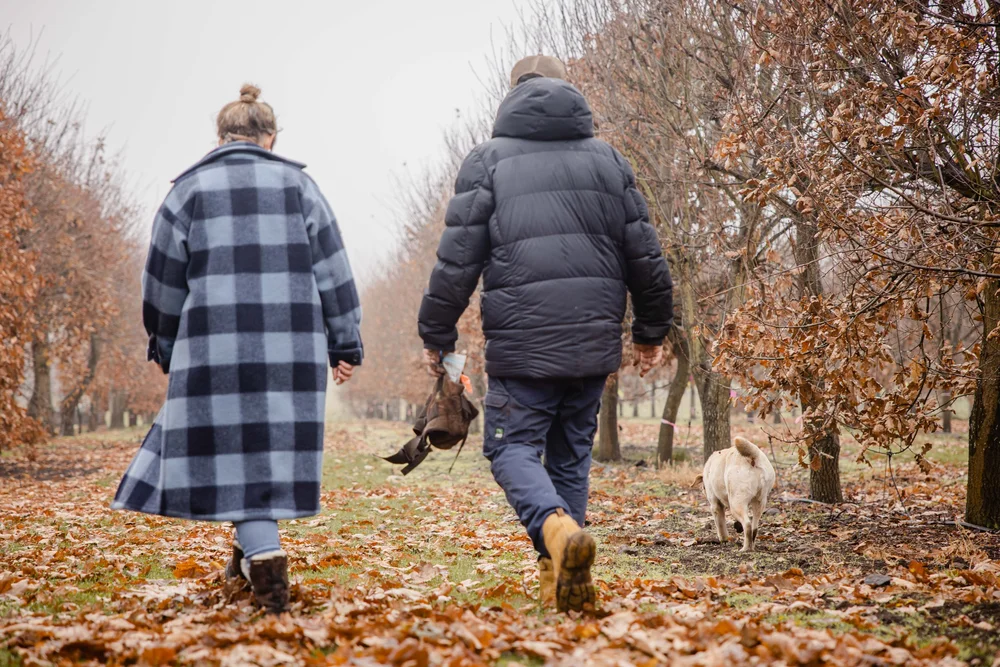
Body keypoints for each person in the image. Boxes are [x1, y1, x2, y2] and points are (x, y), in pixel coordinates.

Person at [418, 56, 673, 612]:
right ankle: (559, 580)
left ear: (512, 95)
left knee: (508, 448)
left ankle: (556, 532)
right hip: (591, 345)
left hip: (522, 345)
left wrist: (436, 332)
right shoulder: (610, 162)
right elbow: (646, 256)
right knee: (570, 458)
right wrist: (651, 332)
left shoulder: (488, 162)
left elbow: (457, 260)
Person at [112, 84, 363, 614]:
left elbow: (161, 282)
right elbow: (335, 271)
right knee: (260, 455)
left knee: (231, 451)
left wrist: (165, 343)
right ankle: (250, 557)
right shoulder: (300, 187)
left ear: (221, 137)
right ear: (271, 138)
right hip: (291, 352)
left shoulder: (187, 191)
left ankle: (263, 557)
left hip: (213, 349)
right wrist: (345, 342)